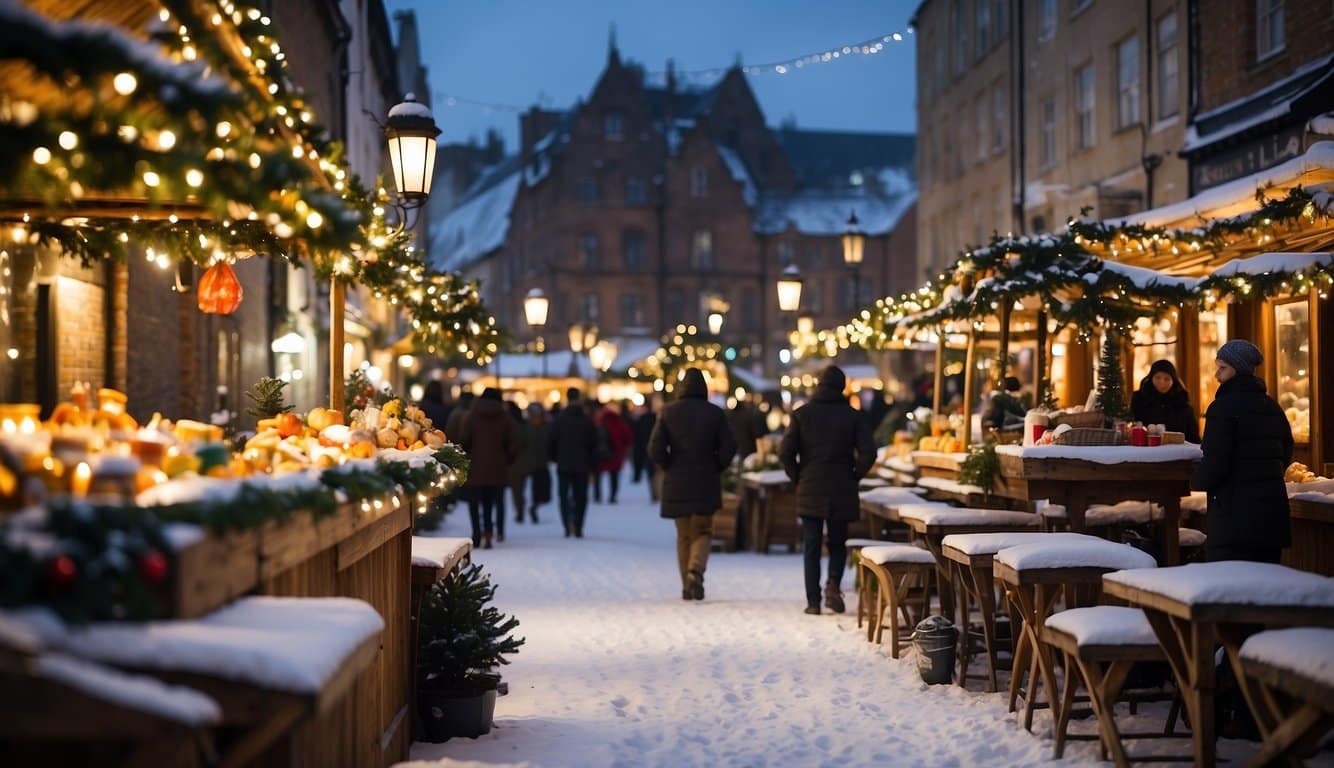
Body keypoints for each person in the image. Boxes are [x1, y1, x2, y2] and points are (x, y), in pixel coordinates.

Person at [780, 365, 876, 615]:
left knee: (811, 544)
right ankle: (833, 585)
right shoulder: (853, 416)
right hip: (841, 485)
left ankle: (813, 601)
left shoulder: (802, 414)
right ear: (842, 387)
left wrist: (798, 476)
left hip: (810, 485)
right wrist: (855, 474)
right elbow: (869, 452)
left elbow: (785, 451)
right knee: (837, 541)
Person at [1190, 339, 1292, 563]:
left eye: (1223, 367)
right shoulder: (1273, 407)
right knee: (1268, 589)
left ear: (1238, 369)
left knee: (1231, 590)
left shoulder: (1222, 409)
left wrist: (1192, 480)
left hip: (1233, 519)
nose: (1217, 375)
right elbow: (1285, 453)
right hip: (1271, 520)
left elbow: (1215, 462)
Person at [649, 368, 737, 601]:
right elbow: (730, 446)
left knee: (684, 535)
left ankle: (686, 585)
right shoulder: (715, 414)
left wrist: (668, 465)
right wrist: (716, 465)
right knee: (703, 530)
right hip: (705, 479)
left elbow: (655, 447)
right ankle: (695, 572)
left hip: (677, 481)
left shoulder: (668, 412)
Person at [457, 388, 519, 549]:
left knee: (474, 502)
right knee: (490, 502)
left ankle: (476, 534)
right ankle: (490, 532)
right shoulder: (505, 417)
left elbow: (464, 439)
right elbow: (513, 443)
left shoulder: (472, 415)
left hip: (475, 467)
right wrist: (507, 460)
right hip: (497, 467)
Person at [547, 388, 598, 538]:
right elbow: (594, 444)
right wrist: (592, 465)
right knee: (580, 496)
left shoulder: (559, 419)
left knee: (564, 496)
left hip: (563, 464)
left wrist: (556, 458)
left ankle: (567, 524)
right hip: (582, 464)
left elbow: (551, 442)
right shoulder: (586, 420)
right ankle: (578, 524)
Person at [1131, 359, 1200, 442]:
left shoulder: (1183, 404)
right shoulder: (1139, 399)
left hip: (1177, 452)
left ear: (1173, 381)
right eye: (1158, 377)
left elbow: (1193, 437)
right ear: (1151, 378)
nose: (1162, 382)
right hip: (1145, 450)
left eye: (1167, 379)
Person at [593, 402, 633, 503]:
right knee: (614, 476)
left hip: (599, 454)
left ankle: (597, 496)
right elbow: (628, 437)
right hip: (615, 453)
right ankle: (613, 496)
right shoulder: (619, 421)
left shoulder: (598, 421)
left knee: (597, 475)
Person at [504, 401, 534, 526]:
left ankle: (520, 511)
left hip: (513, 462)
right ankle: (520, 510)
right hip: (525, 461)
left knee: (516, 490)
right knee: (520, 489)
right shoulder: (525, 425)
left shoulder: (509, 425)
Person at [526, 403, 552, 522]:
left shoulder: (546, 427)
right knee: (537, 490)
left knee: (545, 493)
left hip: (543, 463)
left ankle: (535, 506)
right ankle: (534, 507)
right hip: (533, 464)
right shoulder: (528, 428)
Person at [630, 402, 657, 492]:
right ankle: (654, 490)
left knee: (649, 468)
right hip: (653, 446)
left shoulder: (641, 420)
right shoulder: (656, 419)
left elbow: (636, 436)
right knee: (652, 470)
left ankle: (653, 490)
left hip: (643, 447)